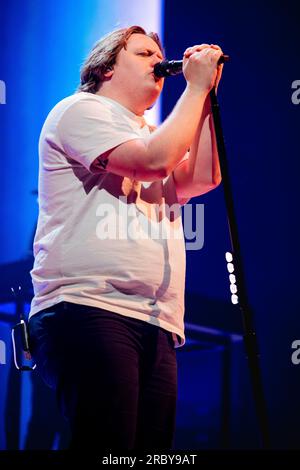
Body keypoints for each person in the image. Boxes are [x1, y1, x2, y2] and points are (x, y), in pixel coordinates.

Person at [28, 25, 223, 451]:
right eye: (143, 52)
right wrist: (193, 88)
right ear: (106, 68)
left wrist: (204, 95)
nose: (158, 60)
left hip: (155, 319)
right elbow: (153, 164)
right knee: (108, 447)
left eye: (159, 52)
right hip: (89, 306)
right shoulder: (81, 110)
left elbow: (205, 176)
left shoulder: (153, 133)